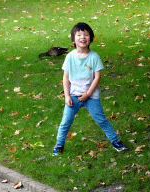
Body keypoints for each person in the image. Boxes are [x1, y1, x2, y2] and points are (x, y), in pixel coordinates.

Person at [52, 22, 127, 156]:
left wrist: (88, 94)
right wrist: (67, 96)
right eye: (79, 35)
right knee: (65, 122)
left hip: (90, 96)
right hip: (73, 96)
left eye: (86, 34)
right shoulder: (69, 57)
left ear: (90, 38)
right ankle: (59, 145)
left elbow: (97, 77)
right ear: (73, 39)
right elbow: (65, 77)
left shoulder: (94, 57)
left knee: (101, 120)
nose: (83, 37)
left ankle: (116, 141)